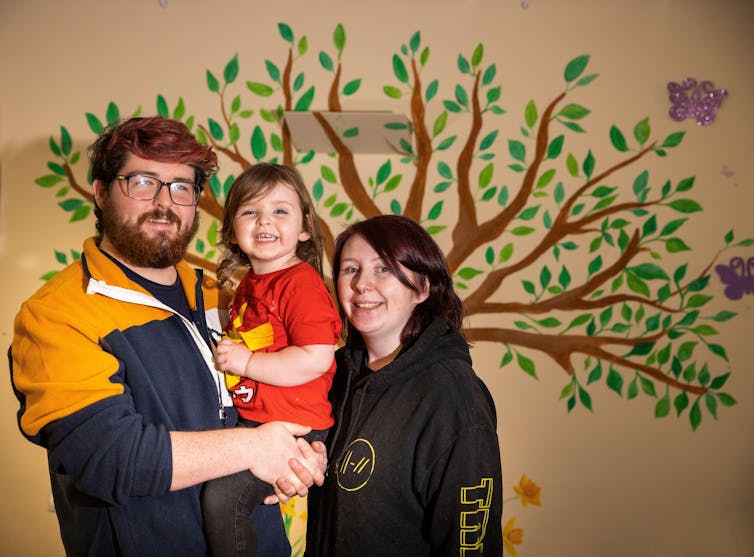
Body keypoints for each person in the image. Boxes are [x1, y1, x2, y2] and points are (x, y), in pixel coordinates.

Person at [8, 116, 326, 557]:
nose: (164, 202)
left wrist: (304, 451)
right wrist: (256, 445)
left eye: (182, 187)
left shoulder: (221, 296)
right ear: (101, 192)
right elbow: (110, 460)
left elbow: (291, 382)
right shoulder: (56, 316)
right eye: (142, 182)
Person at [305, 214, 503, 556]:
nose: (362, 284)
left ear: (423, 288)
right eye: (351, 269)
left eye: (383, 269)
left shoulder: (453, 396)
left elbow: (470, 545)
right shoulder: (334, 376)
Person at [200, 163, 341, 556]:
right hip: (260, 421)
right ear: (232, 229)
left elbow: (315, 357)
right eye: (250, 211)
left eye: (280, 211)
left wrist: (246, 364)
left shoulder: (301, 284)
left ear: (305, 228)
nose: (265, 221)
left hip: (295, 428)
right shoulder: (250, 284)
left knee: (222, 500)